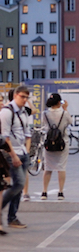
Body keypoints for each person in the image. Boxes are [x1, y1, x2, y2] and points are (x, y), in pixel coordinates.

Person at [1, 85, 32, 229]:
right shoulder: (7, 112)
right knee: (19, 183)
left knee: (19, 186)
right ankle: (1, 210)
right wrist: (13, 156)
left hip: (23, 152)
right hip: (12, 153)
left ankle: (12, 218)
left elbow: (27, 134)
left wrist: (26, 151)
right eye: (22, 97)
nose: (25, 100)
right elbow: (5, 137)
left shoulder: (24, 112)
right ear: (15, 96)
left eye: (27, 97)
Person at [41, 93, 73, 200]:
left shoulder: (44, 114)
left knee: (48, 168)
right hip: (62, 143)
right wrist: (66, 108)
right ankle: (60, 192)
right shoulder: (64, 113)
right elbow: (70, 122)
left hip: (49, 143)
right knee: (61, 167)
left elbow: (45, 126)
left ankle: (44, 192)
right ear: (59, 102)